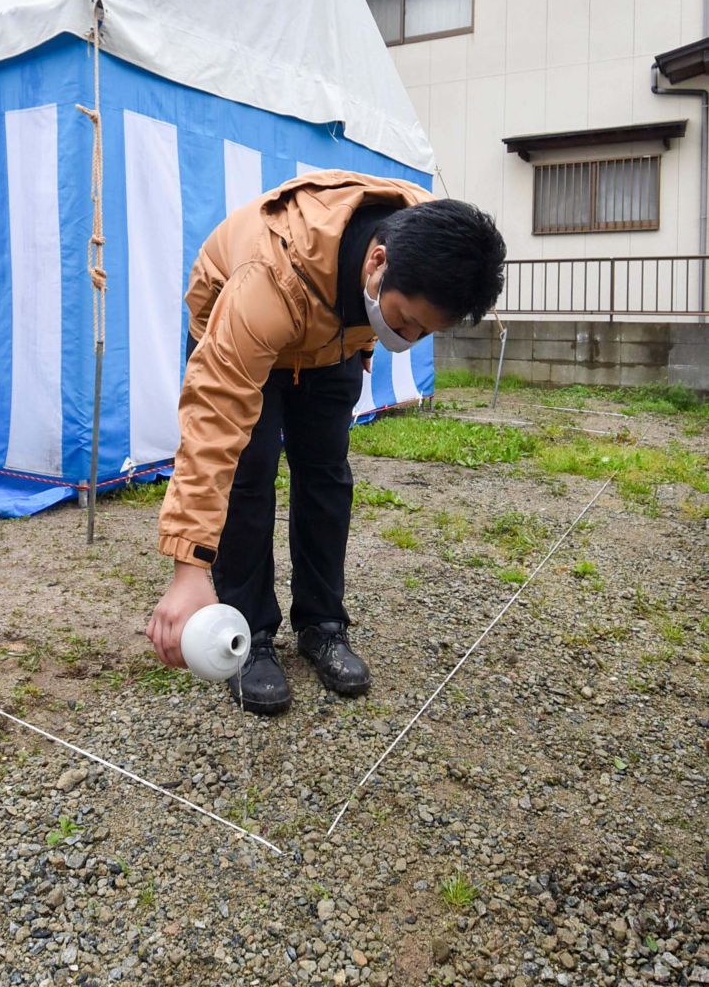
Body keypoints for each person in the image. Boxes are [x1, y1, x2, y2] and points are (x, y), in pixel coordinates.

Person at [146, 169, 506, 713]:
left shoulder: (430, 236)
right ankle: (249, 636)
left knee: (326, 476)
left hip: (335, 340)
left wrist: (367, 342)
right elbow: (212, 427)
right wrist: (188, 569)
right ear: (377, 263)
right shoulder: (264, 278)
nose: (407, 342)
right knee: (248, 472)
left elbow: (393, 312)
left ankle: (322, 624)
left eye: (425, 333)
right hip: (245, 325)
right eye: (406, 323)